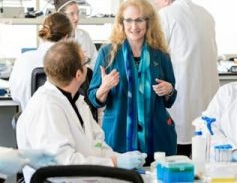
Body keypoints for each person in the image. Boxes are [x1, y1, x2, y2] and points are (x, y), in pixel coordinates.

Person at [16, 41, 146, 183]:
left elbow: (97, 143)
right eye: (86, 62)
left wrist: (119, 159)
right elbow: (64, 166)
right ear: (78, 75)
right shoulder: (47, 107)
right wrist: (114, 163)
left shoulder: (76, 100)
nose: (88, 65)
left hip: (87, 177)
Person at [88, 0, 177, 165]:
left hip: (157, 138)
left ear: (148, 22)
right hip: (118, 136)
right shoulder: (108, 53)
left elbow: (171, 99)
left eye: (139, 20)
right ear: (121, 22)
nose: (134, 26)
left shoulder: (160, 54)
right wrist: (104, 88)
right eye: (128, 20)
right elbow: (94, 98)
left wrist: (169, 90)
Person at [153, 0, 219, 157]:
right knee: (202, 154)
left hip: (181, 96)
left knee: (180, 156)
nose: (156, 3)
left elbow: (155, 54)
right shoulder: (206, 14)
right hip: (207, 97)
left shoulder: (165, 15)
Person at [9, 12, 73, 110]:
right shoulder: (72, 62)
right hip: (62, 123)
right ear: (66, 38)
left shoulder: (23, 59)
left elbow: (15, 96)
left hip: (30, 122)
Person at [54, 0, 98, 69]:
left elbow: (96, 63)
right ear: (61, 16)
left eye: (78, 13)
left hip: (86, 79)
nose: (76, 18)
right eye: (72, 14)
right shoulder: (52, 38)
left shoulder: (84, 36)